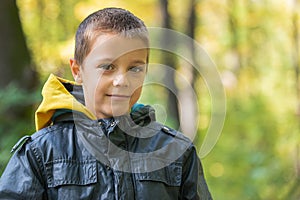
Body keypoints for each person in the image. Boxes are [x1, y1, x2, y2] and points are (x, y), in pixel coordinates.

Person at [0, 7, 212, 199]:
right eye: (108, 67)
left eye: (135, 68)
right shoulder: (41, 153)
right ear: (77, 71)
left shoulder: (176, 150)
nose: (122, 81)